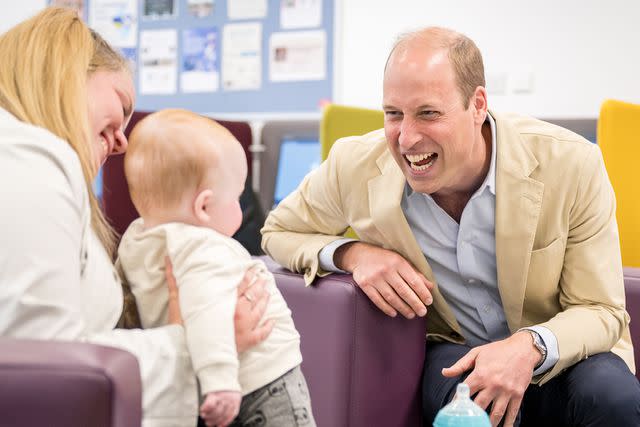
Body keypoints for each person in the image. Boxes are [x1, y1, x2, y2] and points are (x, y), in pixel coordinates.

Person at [261, 26, 640, 426]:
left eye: (428, 113)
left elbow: (600, 309)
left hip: (561, 350)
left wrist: (527, 347)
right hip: (455, 353)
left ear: (477, 106)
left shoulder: (571, 164)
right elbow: (278, 232)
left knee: (612, 399)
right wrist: (353, 254)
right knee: (470, 413)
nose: (406, 138)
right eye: (393, 114)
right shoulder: (353, 164)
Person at [0, 8, 273, 427]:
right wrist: (195, 347)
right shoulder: (30, 161)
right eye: (122, 107)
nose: (124, 142)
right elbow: (48, 378)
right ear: (64, 73)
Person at [118, 109, 315, 427]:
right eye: (237, 197)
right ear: (204, 206)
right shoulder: (204, 247)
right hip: (265, 379)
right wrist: (220, 382)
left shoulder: (135, 240)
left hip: (189, 382)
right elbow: (206, 312)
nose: (242, 205)